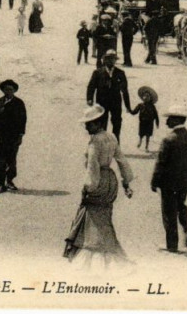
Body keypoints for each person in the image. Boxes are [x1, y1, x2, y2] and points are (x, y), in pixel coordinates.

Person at [64, 104, 134, 266]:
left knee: (92, 216)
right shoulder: (111, 137)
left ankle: (95, 258)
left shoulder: (95, 141)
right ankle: (108, 250)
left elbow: (93, 166)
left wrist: (88, 187)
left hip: (99, 181)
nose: (87, 127)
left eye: (89, 124)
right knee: (104, 216)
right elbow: (122, 160)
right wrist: (126, 182)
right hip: (110, 180)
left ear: (97, 123)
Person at [151, 104, 187, 253]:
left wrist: (154, 182)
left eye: (169, 119)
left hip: (168, 183)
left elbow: (160, 163)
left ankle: (172, 246)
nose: (166, 122)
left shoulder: (168, 140)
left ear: (175, 120)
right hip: (185, 182)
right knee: (182, 207)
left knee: (168, 213)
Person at [0, 79, 27, 193]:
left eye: (11, 89)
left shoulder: (19, 103)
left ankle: (10, 181)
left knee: (11, 159)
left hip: (13, 136)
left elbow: (23, 120)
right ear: (3, 90)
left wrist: (20, 135)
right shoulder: (0, 101)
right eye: (6, 89)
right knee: (0, 160)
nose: (8, 91)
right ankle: (1, 184)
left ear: (14, 91)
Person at [86, 50, 131, 143]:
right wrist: (89, 99)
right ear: (104, 60)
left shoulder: (120, 73)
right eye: (108, 59)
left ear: (115, 61)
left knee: (117, 123)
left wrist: (127, 106)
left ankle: (115, 145)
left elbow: (125, 90)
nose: (111, 61)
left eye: (113, 59)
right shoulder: (97, 73)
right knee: (102, 123)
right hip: (102, 103)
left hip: (116, 103)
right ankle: (102, 144)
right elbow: (91, 86)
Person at [130, 86, 159, 151]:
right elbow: (134, 112)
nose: (146, 97)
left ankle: (146, 146)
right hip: (142, 122)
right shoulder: (140, 105)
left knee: (148, 135)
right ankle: (140, 141)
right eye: (144, 96)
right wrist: (129, 110)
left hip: (150, 123)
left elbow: (156, 115)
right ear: (142, 97)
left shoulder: (152, 106)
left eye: (148, 96)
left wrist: (157, 122)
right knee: (141, 134)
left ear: (150, 98)